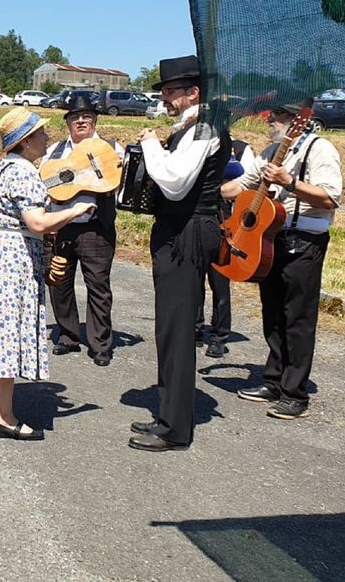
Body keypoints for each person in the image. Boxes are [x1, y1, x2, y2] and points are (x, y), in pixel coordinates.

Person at [0, 109, 94, 441]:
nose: (46, 138)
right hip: (13, 256)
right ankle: (4, 417)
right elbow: (36, 223)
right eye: (40, 134)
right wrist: (75, 210)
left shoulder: (1, 167)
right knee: (6, 331)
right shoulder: (22, 171)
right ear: (25, 141)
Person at [127, 55, 230, 453]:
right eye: (165, 92)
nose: (166, 99)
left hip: (188, 232)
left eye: (171, 92)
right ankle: (168, 413)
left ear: (193, 93)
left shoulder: (205, 128)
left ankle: (175, 428)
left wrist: (151, 143)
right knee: (168, 328)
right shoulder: (191, 127)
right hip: (178, 230)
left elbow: (172, 181)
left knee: (177, 327)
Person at [223, 100, 342, 420]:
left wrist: (289, 182)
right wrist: (209, 190)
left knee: (298, 319)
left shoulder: (320, 149)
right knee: (272, 313)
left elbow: (331, 197)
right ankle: (273, 381)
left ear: (297, 120)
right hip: (269, 240)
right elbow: (240, 185)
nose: (269, 119)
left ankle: (295, 393)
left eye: (277, 115)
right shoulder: (269, 151)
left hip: (305, 241)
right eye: (271, 114)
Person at [44, 93, 124, 367]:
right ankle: (68, 335)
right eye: (75, 117)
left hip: (96, 228)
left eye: (86, 117)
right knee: (59, 282)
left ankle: (100, 343)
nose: (81, 121)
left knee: (98, 286)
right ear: (67, 122)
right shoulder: (54, 152)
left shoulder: (113, 149)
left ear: (95, 120)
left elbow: (120, 183)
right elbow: (47, 182)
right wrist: (60, 184)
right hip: (61, 227)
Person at [196, 136, 256, 358]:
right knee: (194, 279)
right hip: (198, 215)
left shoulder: (241, 148)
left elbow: (250, 186)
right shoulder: (197, 141)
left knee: (220, 281)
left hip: (226, 220)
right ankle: (195, 328)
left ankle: (219, 336)